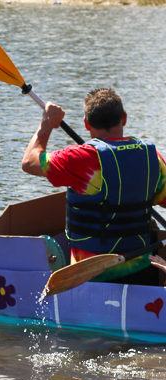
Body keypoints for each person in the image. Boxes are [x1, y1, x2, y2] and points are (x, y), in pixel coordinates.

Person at [21, 88, 166, 285]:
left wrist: (46, 124)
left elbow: (29, 162)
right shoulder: (152, 157)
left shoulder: (81, 158)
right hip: (140, 270)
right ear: (123, 118)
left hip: (91, 276)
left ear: (86, 124)